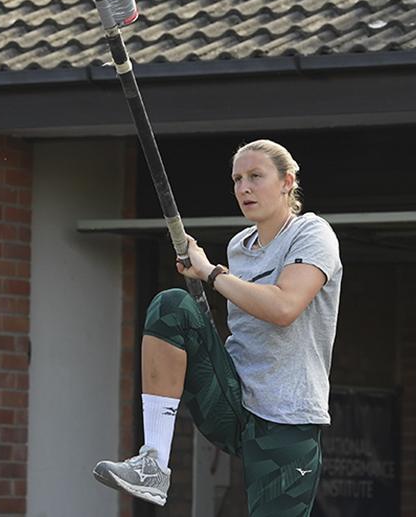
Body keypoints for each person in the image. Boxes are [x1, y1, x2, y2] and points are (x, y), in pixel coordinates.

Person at [93, 139, 343, 516]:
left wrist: (210, 272)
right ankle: (154, 463)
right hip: (232, 397)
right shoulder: (239, 246)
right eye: (237, 179)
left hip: (286, 418)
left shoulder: (312, 233)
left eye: (256, 176)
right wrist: (204, 272)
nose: (244, 188)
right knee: (172, 306)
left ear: (287, 181)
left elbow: (284, 307)